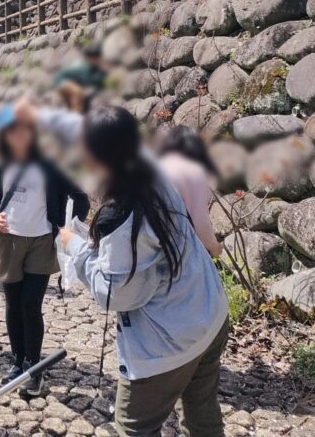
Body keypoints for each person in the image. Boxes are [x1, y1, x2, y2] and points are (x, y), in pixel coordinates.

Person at [58, 107, 229, 437]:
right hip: (210, 311)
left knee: (133, 428)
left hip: (169, 340)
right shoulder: (152, 171)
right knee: (202, 415)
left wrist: (74, 247)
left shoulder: (121, 217)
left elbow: (116, 294)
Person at [0, 105, 89, 397]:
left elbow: (80, 198)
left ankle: (33, 367)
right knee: (13, 304)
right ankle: (17, 362)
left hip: (42, 241)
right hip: (8, 241)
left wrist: (69, 229)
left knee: (30, 305)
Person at [157, 127, 223, 258]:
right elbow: (199, 221)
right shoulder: (195, 173)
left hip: (152, 249)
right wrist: (213, 247)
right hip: (182, 251)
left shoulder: (158, 168)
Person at [53, 42, 107, 113]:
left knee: (82, 93)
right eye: (91, 57)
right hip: (64, 82)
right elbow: (62, 75)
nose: (93, 59)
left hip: (80, 88)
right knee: (78, 91)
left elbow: (98, 85)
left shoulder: (99, 71)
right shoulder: (82, 67)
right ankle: (76, 113)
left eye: (95, 57)